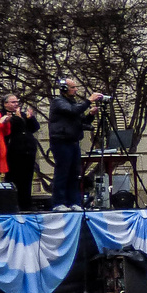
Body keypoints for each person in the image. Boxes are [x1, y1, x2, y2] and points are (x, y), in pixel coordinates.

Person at [48, 78, 101, 210]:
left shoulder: (73, 103)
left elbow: (81, 121)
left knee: (74, 173)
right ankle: (59, 202)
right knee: (62, 172)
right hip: (61, 141)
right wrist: (89, 100)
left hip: (73, 141)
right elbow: (72, 111)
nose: (76, 90)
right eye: (73, 87)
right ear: (65, 88)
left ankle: (74, 202)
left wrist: (90, 115)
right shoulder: (58, 102)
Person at [3, 95, 41, 211]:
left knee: (27, 178)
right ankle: (14, 203)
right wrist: (18, 118)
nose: (16, 104)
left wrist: (30, 118)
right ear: (6, 104)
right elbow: (11, 130)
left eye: (17, 102)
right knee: (15, 177)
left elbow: (35, 128)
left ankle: (26, 203)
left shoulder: (22, 114)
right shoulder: (5, 116)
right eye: (13, 102)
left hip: (28, 149)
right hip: (14, 150)